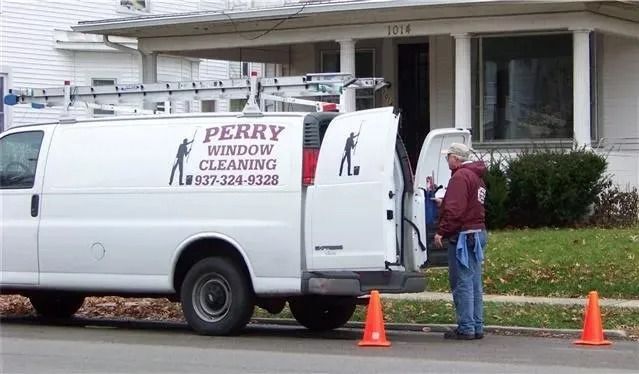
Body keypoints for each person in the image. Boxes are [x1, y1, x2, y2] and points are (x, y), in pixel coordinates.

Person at [433, 143, 488, 340]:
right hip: (478, 232)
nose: (447, 160)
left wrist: (441, 231)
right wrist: (446, 201)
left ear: (455, 158)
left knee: (461, 282)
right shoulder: (476, 176)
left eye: (448, 156)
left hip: (464, 236)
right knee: (474, 281)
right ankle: (476, 325)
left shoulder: (459, 177)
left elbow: (456, 211)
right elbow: (469, 204)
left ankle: (466, 327)